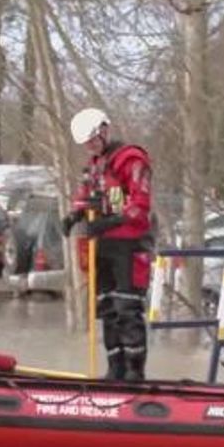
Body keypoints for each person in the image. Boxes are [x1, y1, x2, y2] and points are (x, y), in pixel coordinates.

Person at [63, 108, 154, 382]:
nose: (90, 147)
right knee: (107, 310)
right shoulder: (94, 166)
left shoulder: (132, 161)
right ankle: (114, 369)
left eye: (92, 140)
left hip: (129, 245)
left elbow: (140, 205)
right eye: (86, 144)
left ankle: (134, 373)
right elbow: (86, 195)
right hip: (102, 246)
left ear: (104, 131)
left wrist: (109, 222)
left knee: (127, 309)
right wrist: (75, 214)